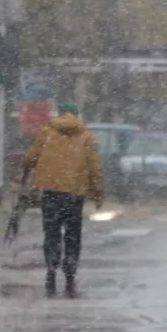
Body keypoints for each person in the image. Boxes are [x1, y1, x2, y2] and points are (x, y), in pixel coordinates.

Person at [21, 102, 104, 297]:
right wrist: (98, 193)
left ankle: (51, 270)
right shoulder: (86, 137)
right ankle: (70, 277)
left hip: (50, 191)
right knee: (72, 236)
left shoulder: (48, 133)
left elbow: (31, 157)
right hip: (75, 193)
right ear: (78, 115)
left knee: (51, 233)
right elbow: (95, 167)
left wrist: (25, 173)